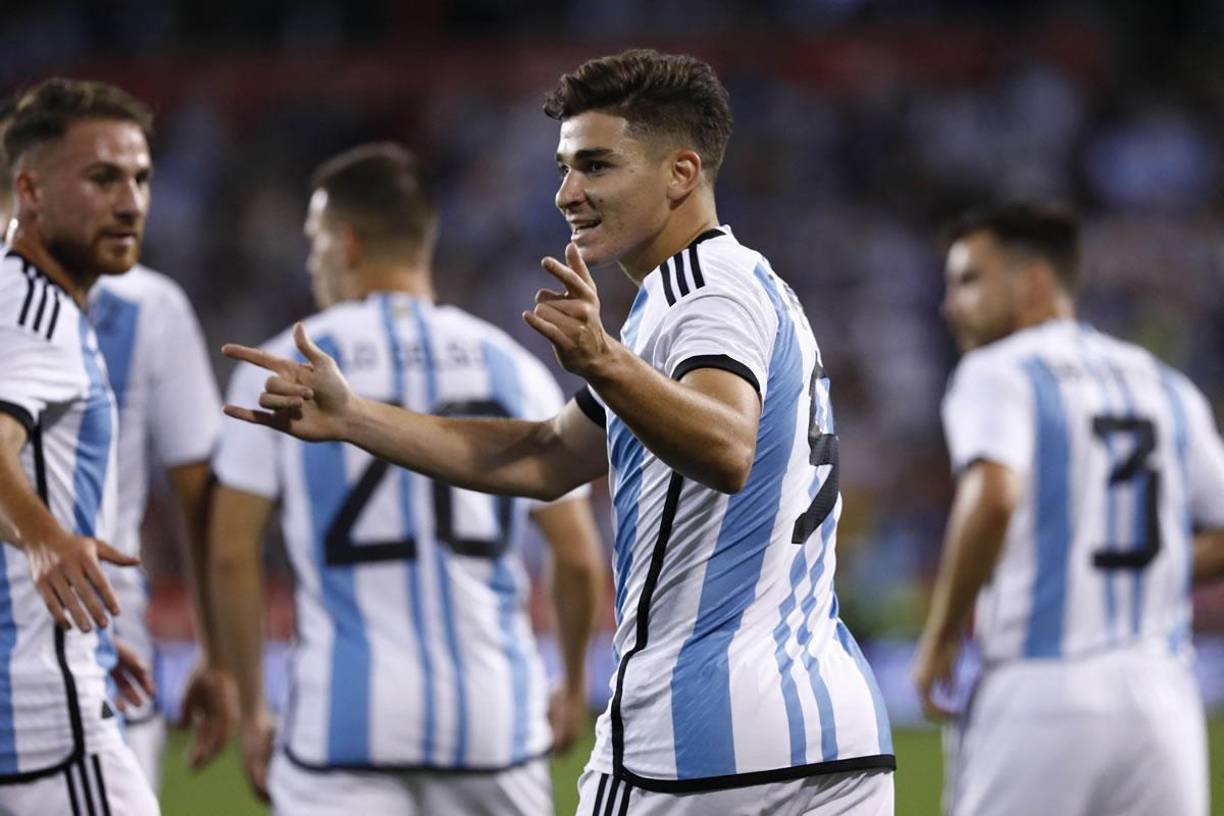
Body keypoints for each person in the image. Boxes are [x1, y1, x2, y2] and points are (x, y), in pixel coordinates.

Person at [224, 50, 895, 815]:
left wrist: (603, 359)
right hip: (833, 736)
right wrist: (355, 417)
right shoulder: (741, 292)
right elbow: (545, 456)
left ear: (681, 173)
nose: (567, 193)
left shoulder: (703, 292)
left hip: (700, 742)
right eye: (565, 167)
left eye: (595, 166)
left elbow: (727, 447)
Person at [209, 142, 605, 815]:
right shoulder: (513, 367)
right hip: (494, 723)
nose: (310, 262)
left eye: (314, 241)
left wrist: (253, 708)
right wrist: (569, 683)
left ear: (345, 243)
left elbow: (229, 552)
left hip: (342, 726)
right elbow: (575, 559)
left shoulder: (284, 371)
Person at [912, 202, 1224, 816]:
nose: (950, 306)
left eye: (969, 280)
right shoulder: (1165, 384)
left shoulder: (997, 370)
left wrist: (942, 637)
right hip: (1163, 699)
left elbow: (993, 496)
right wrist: (1147, 572)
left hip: (1040, 687)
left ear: (1033, 282)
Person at [0, 77, 161, 815]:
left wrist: (83, 637)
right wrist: (44, 540)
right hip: (45, 726)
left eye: (140, 178)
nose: (131, 203)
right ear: (30, 191)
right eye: (103, 179)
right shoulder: (37, 312)